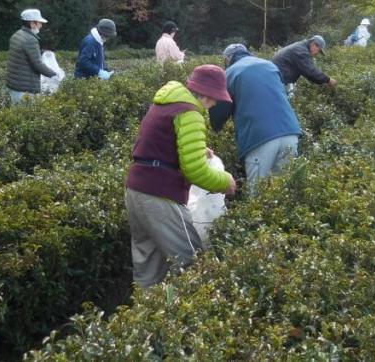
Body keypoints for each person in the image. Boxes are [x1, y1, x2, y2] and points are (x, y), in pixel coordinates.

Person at [125, 65, 238, 288]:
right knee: (192, 262)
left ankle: (145, 316)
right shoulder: (190, 112)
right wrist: (225, 182)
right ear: (205, 94)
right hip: (160, 196)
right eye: (214, 98)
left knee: (149, 266)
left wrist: (197, 149)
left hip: (136, 191)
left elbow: (158, 143)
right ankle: (188, 317)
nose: (214, 104)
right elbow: (194, 170)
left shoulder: (164, 103)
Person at [210, 43, 303, 188]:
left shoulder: (229, 73)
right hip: (290, 132)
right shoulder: (270, 65)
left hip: (259, 138)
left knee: (257, 195)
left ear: (228, 59)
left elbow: (220, 109)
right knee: (282, 191)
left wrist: (215, 127)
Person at [6, 8, 58, 104]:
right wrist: (54, 74)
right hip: (24, 88)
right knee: (25, 116)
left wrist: (42, 52)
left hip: (14, 85)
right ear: (32, 23)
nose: (41, 25)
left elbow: (24, 53)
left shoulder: (17, 35)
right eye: (39, 23)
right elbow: (38, 64)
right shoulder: (31, 40)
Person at [272, 35, 336, 96]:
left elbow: (308, 73)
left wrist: (322, 82)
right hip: (277, 79)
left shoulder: (302, 47)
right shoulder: (301, 51)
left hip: (277, 77)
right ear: (314, 44)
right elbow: (310, 71)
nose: (317, 53)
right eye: (318, 51)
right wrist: (328, 80)